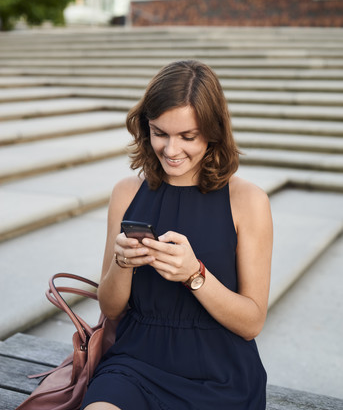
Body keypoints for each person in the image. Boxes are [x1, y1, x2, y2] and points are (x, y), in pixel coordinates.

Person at [81, 60, 273, 410]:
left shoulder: (248, 201)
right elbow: (110, 307)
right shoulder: (126, 193)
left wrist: (194, 275)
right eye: (160, 133)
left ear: (214, 132)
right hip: (134, 363)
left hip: (219, 375)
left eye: (188, 136)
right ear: (145, 127)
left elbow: (252, 322)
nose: (171, 150)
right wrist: (122, 264)